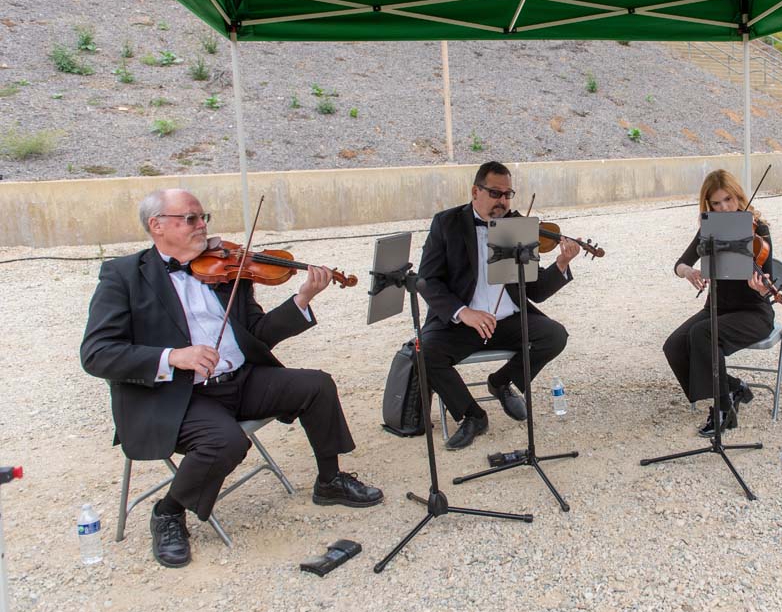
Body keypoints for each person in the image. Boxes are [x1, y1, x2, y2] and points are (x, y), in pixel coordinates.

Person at [80, 189, 383, 569]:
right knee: (225, 441)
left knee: (316, 385)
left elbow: (258, 333)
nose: (202, 225)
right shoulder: (123, 275)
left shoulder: (225, 271)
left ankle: (329, 481)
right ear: (157, 226)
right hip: (178, 396)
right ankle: (168, 512)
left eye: (203, 217)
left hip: (239, 379)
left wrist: (302, 299)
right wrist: (174, 357)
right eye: (190, 218)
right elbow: (97, 353)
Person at [416, 161, 579, 450]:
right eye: (495, 193)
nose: (502, 201)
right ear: (475, 192)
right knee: (424, 352)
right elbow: (427, 280)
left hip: (507, 321)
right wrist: (463, 312)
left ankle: (502, 382)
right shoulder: (447, 223)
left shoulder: (515, 227)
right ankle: (472, 415)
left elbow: (536, 291)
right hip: (463, 323)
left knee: (554, 335)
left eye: (507, 194)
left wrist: (562, 263)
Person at [663, 169, 777, 437]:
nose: (724, 208)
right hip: (717, 308)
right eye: (716, 203)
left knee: (703, 333)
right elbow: (680, 264)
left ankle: (723, 410)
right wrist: (688, 272)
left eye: (728, 199)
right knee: (674, 346)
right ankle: (734, 387)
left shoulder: (758, 229)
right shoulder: (710, 229)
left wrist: (761, 288)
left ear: (738, 196)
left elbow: (768, 282)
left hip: (753, 313)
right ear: (708, 205)